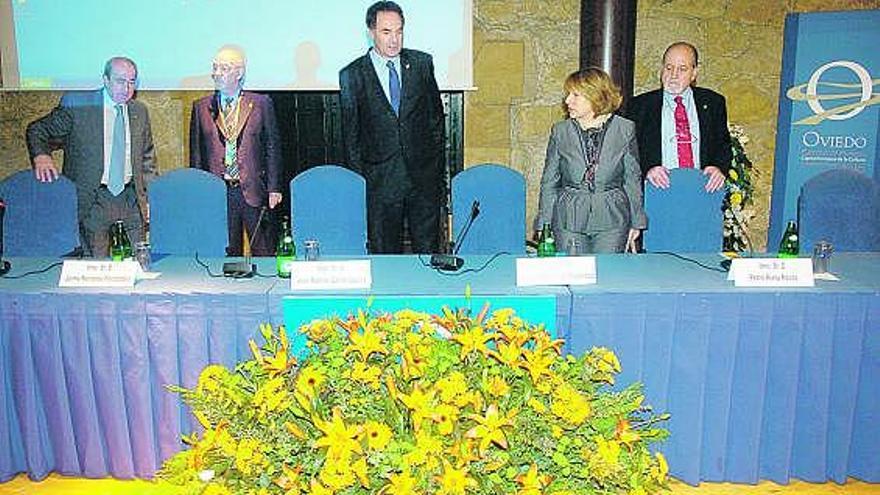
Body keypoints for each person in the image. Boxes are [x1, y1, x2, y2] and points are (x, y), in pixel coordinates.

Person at [339, 1, 446, 254]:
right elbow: (350, 137)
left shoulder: (421, 64)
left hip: (423, 180)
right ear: (371, 32)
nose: (394, 40)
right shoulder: (352, 75)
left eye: (399, 31)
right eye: (386, 32)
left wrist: (436, 170)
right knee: (385, 256)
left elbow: (436, 120)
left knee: (428, 254)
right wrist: (362, 183)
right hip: (380, 184)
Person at [26, 56, 156, 257]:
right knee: (96, 268)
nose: (127, 88)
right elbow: (37, 130)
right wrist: (41, 155)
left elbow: (147, 157)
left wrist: (149, 198)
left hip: (131, 199)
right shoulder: (78, 105)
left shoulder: (139, 111)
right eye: (120, 81)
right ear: (105, 80)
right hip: (94, 199)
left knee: (138, 264)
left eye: (132, 81)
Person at [534, 68, 646, 254]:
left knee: (608, 276)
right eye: (568, 94)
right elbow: (549, 181)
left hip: (613, 219)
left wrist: (637, 221)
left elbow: (632, 179)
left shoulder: (625, 129)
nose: (567, 100)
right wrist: (544, 223)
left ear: (596, 96)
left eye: (575, 95)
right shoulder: (560, 131)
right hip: (569, 219)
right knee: (572, 276)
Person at [190, 45, 283, 256]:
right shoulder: (201, 107)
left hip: (253, 190)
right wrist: (199, 192)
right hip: (218, 192)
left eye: (224, 68)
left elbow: (273, 148)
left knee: (263, 251)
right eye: (215, 68)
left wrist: (274, 187)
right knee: (227, 252)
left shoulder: (260, 104)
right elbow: (196, 156)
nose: (216, 73)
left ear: (239, 73)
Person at [627, 41, 731, 193]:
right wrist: (647, 170)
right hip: (655, 192)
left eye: (682, 69)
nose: (674, 75)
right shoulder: (640, 105)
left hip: (702, 191)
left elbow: (723, 145)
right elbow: (627, 152)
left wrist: (718, 168)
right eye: (669, 68)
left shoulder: (713, 103)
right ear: (662, 69)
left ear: (694, 73)